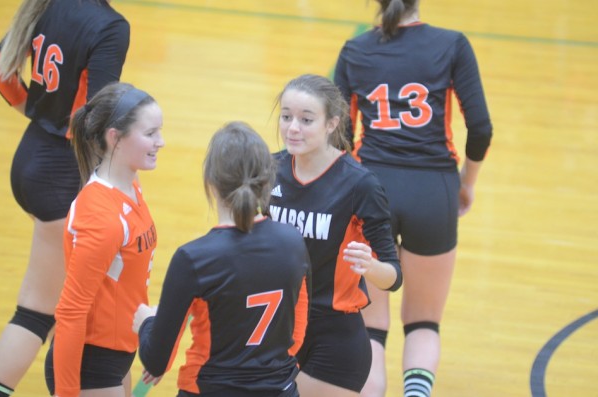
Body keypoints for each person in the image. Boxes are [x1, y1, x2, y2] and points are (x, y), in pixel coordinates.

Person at [333, 1, 493, 396]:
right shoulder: (452, 44)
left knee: (369, 326)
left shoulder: (356, 50)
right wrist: (466, 184)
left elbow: (338, 136)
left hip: (370, 190)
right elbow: (481, 129)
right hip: (433, 193)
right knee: (423, 324)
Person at [0, 0, 130, 395]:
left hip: (33, 154)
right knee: (40, 311)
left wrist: (35, 111)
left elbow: (3, 70)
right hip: (63, 170)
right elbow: (101, 116)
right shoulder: (111, 25)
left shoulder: (47, 4)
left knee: (81, 307)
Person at [132, 121, 311, 397]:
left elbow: (156, 360)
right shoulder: (293, 242)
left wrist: (146, 322)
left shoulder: (193, 258)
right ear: (266, 180)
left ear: (211, 183)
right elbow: (297, 333)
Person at [268, 74, 402, 397]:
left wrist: (370, 267)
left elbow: (394, 276)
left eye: (306, 119)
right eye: (286, 117)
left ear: (332, 124)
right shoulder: (269, 170)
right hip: (277, 327)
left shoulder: (360, 185)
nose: (293, 128)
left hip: (333, 337)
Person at [42, 82, 164, 397]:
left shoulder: (130, 185)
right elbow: (70, 312)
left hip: (118, 353)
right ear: (115, 138)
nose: (160, 142)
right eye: (150, 134)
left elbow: (126, 282)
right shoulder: (102, 219)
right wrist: (67, 393)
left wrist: (153, 339)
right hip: (90, 365)